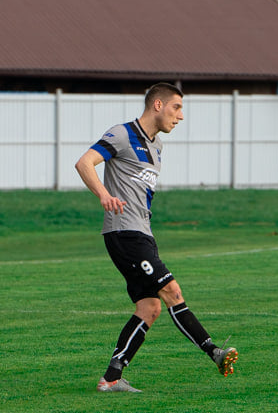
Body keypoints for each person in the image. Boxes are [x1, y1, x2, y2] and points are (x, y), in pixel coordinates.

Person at [74, 82, 238, 393]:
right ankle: (214, 352)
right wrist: (104, 195)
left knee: (150, 307)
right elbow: (84, 163)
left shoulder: (157, 146)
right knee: (172, 290)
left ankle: (111, 378)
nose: (181, 116)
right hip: (124, 233)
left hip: (142, 234)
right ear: (158, 105)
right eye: (177, 108)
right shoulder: (122, 134)